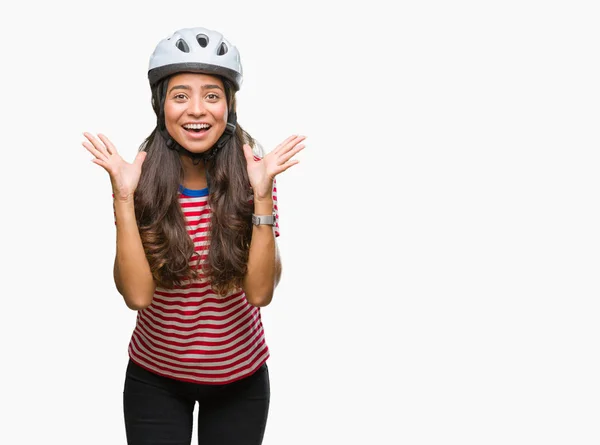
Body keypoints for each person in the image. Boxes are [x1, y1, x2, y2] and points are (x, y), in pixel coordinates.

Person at [82, 26, 305, 445]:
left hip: (240, 379)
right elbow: (137, 297)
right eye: (181, 95)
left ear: (229, 106)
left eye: (212, 95)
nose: (197, 110)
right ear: (161, 105)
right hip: (155, 379)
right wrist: (124, 198)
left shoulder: (255, 175)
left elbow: (259, 293)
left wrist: (260, 196)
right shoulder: (140, 180)